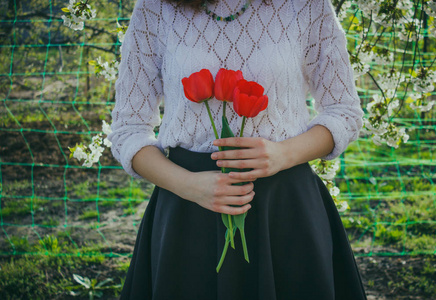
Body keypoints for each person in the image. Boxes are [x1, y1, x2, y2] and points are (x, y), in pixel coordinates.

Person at [108, 0, 367, 298]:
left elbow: (344, 112)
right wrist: (188, 185)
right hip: (187, 211)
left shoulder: (307, 4)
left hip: (284, 209)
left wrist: (284, 154)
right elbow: (128, 130)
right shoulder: (155, 8)